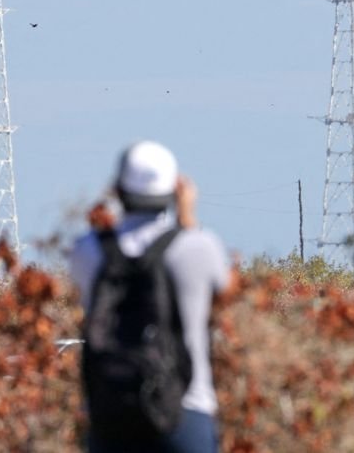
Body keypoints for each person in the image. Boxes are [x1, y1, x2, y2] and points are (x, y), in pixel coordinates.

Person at [69, 141, 233, 453]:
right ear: (176, 189)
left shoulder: (87, 250)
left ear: (117, 189)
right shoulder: (198, 247)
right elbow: (224, 288)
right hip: (184, 409)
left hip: (110, 413)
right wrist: (188, 218)